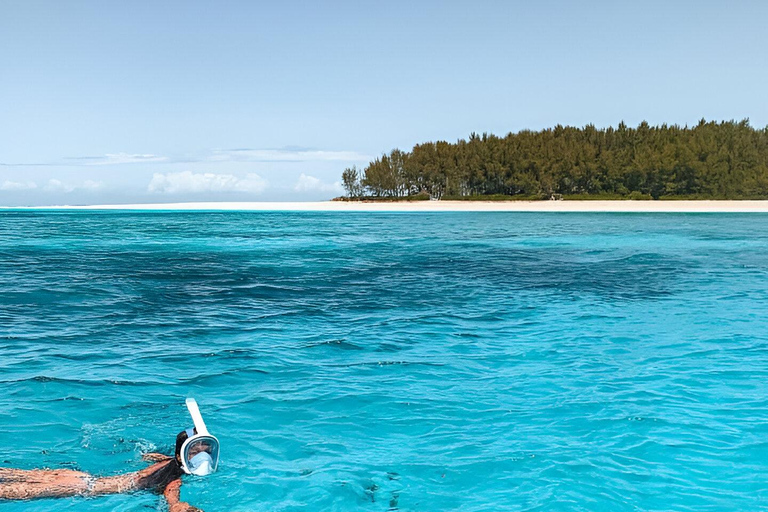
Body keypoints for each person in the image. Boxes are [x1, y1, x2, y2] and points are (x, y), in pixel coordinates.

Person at [0, 429, 206, 511]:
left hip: (81, 478)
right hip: (82, 486)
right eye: (197, 452)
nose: (204, 457)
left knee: (13, 474)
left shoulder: (168, 460)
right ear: (183, 454)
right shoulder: (175, 478)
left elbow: (148, 456)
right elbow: (173, 500)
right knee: (11, 493)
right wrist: (185, 508)